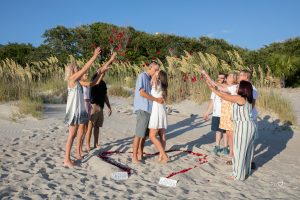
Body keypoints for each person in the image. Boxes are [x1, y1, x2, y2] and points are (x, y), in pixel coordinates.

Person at [63, 48, 115, 168]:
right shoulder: (71, 80)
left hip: (79, 111)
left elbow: (94, 83)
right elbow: (85, 68)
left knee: (74, 135)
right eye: (77, 68)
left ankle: (70, 157)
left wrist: (102, 72)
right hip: (73, 111)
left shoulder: (79, 83)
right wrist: (94, 56)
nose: (79, 70)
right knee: (71, 136)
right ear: (72, 71)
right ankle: (66, 159)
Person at [205, 79, 257, 180]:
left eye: (238, 87)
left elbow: (223, 96)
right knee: (247, 152)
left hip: (243, 127)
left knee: (239, 152)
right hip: (249, 126)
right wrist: (212, 85)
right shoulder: (249, 98)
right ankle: (245, 173)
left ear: (243, 89)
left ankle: (238, 175)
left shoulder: (240, 98)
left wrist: (211, 88)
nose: (236, 88)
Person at [132, 61, 164, 164]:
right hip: (143, 108)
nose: (157, 71)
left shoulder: (151, 79)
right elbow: (141, 92)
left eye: (158, 69)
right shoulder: (142, 76)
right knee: (138, 134)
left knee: (144, 135)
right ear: (150, 68)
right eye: (156, 69)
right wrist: (155, 99)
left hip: (150, 110)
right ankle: (134, 157)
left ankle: (140, 154)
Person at [85, 72, 112, 152]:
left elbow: (105, 96)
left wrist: (109, 107)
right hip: (93, 106)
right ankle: (87, 145)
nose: (103, 75)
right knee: (90, 126)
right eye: (101, 73)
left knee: (97, 127)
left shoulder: (103, 83)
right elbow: (94, 80)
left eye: (103, 74)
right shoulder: (93, 81)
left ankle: (96, 143)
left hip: (101, 107)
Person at [203, 73, 226, 155]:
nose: (220, 79)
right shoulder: (215, 89)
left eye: (222, 78)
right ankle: (217, 146)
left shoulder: (226, 88)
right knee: (218, 130)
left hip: (224, 113)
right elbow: (212, 102)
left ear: (225, 79)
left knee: (225, 131)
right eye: (219, 78)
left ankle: (226, 147)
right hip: (216, 113)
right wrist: (207, 112)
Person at [148, 70, 169, 163]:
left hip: (156, 110)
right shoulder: (164, 86)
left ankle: (164, 155)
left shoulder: (157, 83)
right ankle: (161, 156)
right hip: (162, 110)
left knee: (152, 136)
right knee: (162, 135)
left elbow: (153, 79)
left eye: (158, 72)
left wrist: (155, 72)